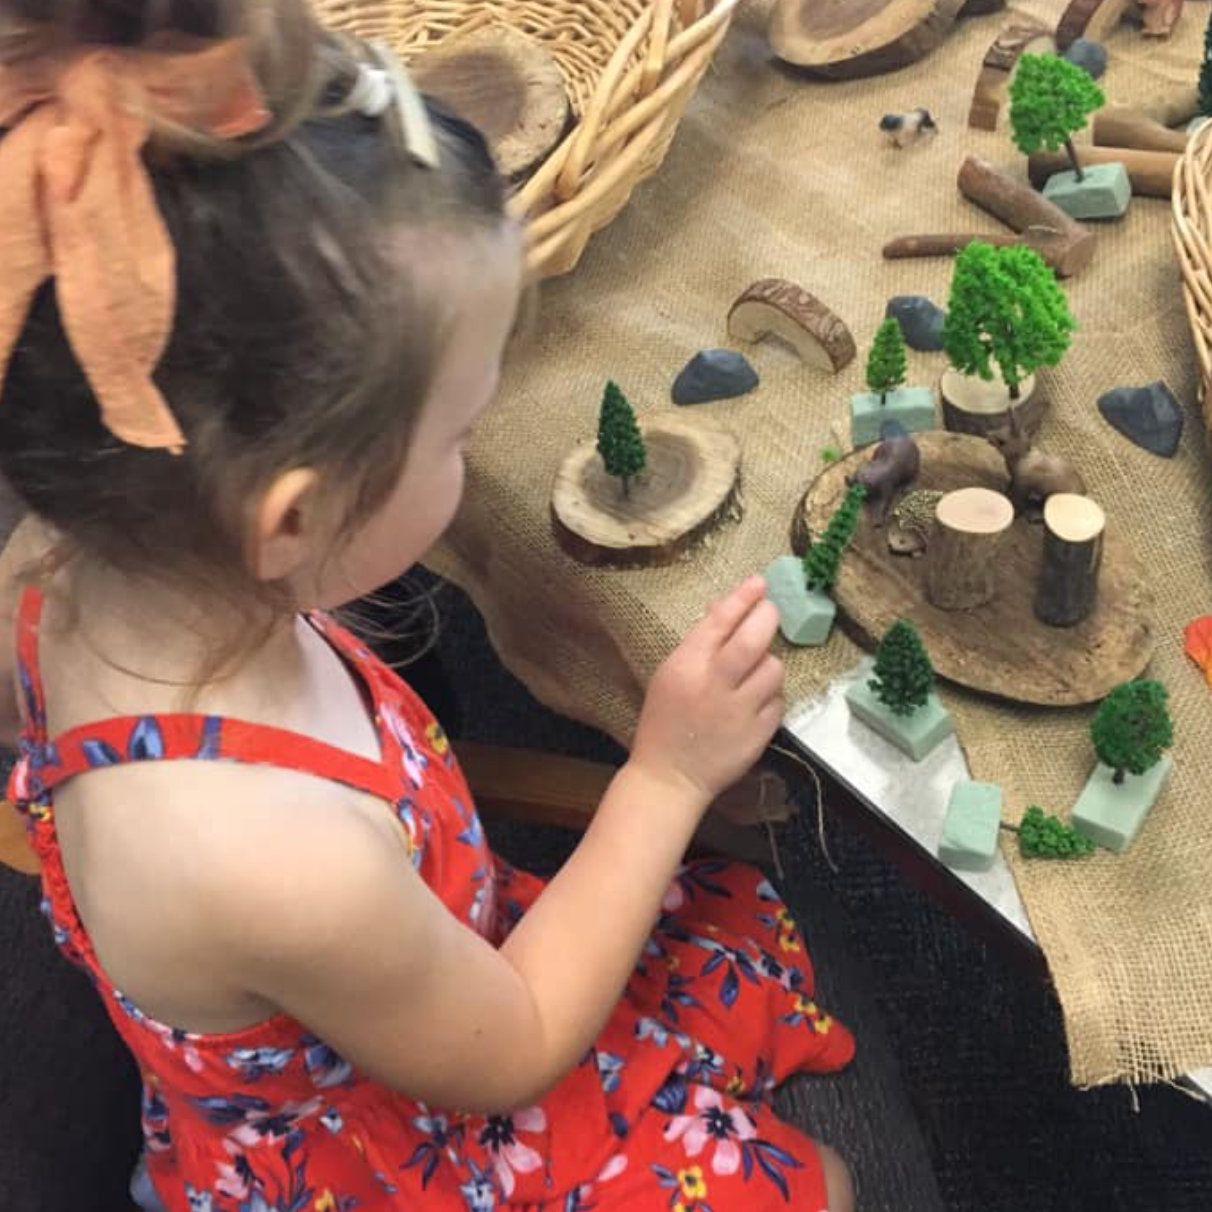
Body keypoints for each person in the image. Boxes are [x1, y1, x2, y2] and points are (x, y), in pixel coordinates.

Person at [0, 2, 855, 1209]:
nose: (476, 450)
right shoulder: (274, 861)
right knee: (821, 1184)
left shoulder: (58, 560)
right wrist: (665, 776)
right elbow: (510, 1051)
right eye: (457, 433)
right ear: (290, 522)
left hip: (402, 969)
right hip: (406, 1127)